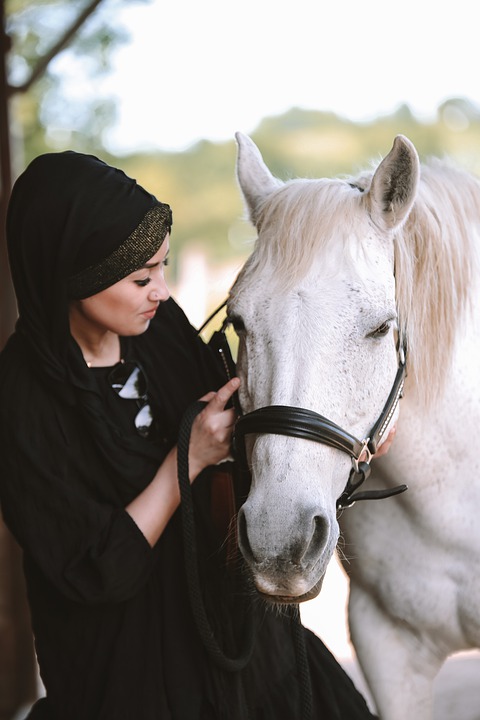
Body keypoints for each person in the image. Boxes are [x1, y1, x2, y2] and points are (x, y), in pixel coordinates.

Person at [0, 150, 379, 719]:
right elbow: (94, 571)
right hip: (127, 671)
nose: (160, 289)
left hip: (234, 636)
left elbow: (240, 434)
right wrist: (188, 458)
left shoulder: (159, 329)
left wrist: (351, 439)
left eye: (162, 268)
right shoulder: (21, 399)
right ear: (73, 274)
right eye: (140, 278)